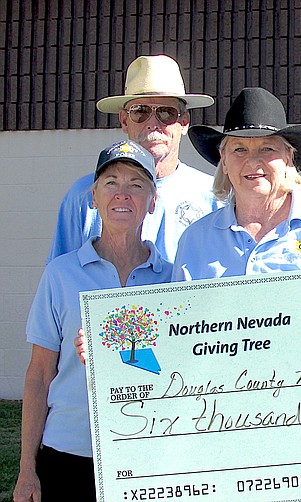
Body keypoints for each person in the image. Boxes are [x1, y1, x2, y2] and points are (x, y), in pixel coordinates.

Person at [13, 140, 173, 502]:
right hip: (69, 453)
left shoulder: (173, 280)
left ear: (152, 201)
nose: (122, 194)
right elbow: (39, 374)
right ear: (93, 198)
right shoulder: (61, 274)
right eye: (111, 182)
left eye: (136, 184)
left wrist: (119, 351)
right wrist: (27, 469)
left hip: (148, 454)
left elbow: (179, 368)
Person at [171, 86, 301, 281]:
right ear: (224, 160)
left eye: (267, 148)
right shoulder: (195, 239)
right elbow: (180, 311)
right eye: (239, 149)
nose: (253, 161)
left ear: (288, 157)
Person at [47, 54, 221, 263]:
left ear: (183, 122)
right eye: (140, 112)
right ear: (124, 120)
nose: (152, 123)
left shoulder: (214, 197)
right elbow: (61, 277)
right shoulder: (83, 197)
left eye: (166, 113)